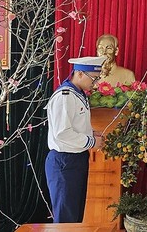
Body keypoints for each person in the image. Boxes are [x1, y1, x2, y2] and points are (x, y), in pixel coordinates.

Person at [45, 55, 106, 223]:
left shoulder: (78, 94)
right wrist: (91, 142)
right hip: (64, 161)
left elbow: (76, 126)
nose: (95, 83)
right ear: (79, 74)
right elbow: (62, 133)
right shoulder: (64, 96)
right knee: (66, 217)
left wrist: (92, 134)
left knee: (75, 214)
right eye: (93, 78)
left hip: (76, 159)